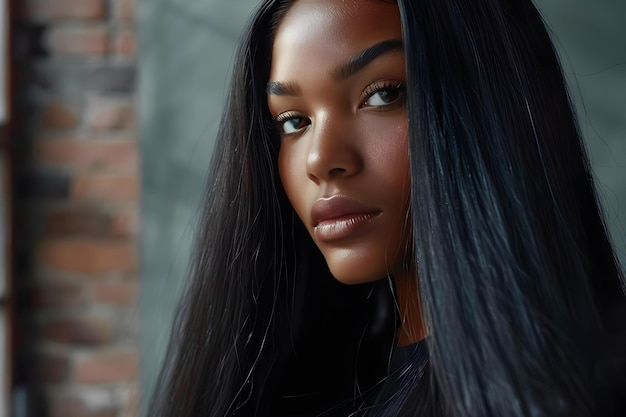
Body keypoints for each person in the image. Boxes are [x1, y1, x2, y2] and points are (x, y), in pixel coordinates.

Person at [148, 0, 626, 416]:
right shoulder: (294, 388)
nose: (320, 160)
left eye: (382, 94)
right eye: (294, 121)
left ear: (489, 110)